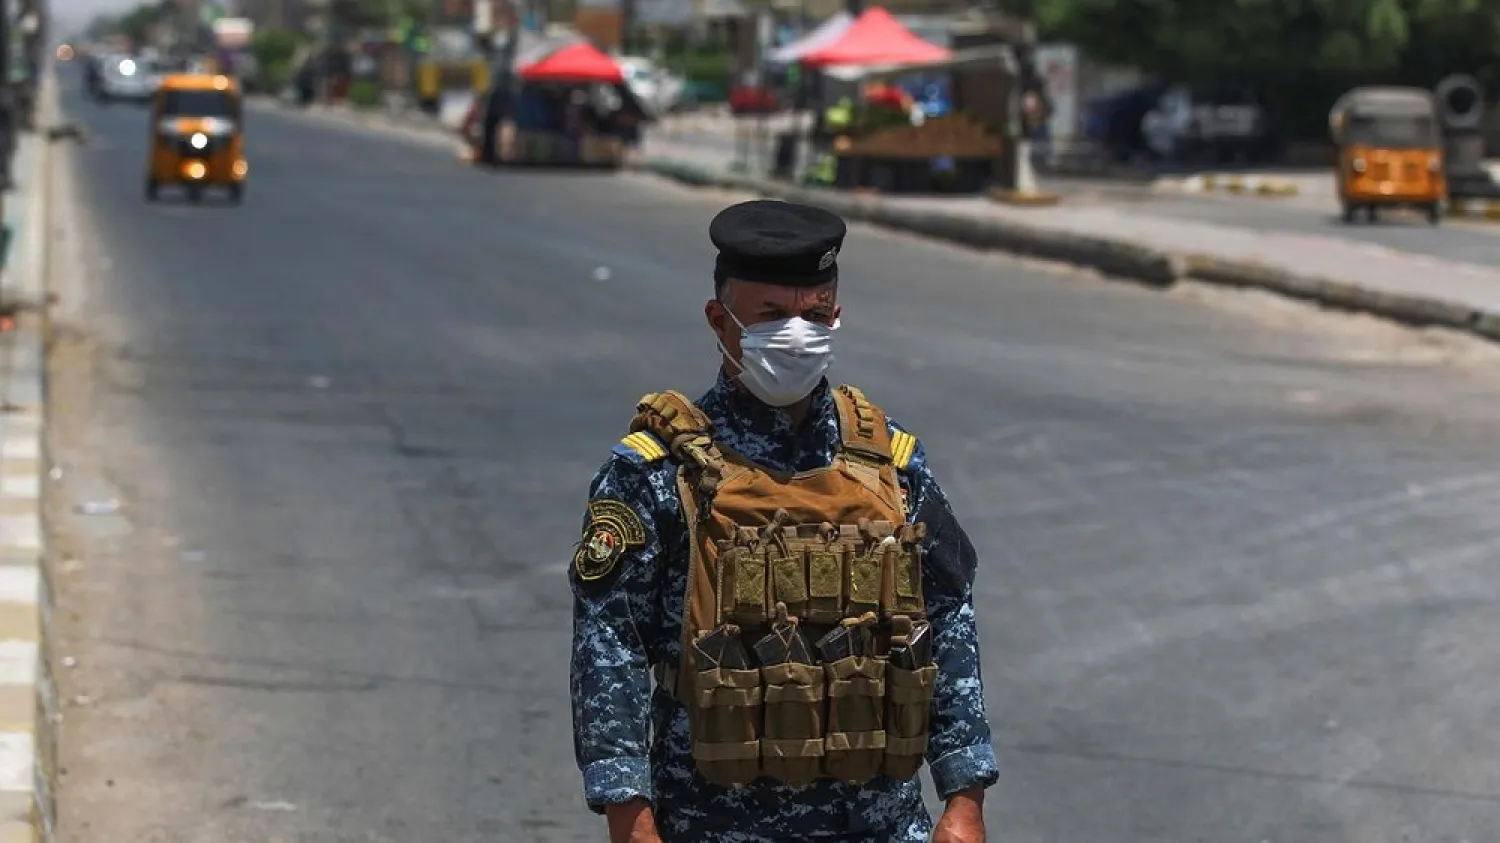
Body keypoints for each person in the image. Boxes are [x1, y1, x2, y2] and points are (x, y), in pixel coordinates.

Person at [568, 199, 999, 843]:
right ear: (721, 320)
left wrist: (963, 798)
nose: (797, 334)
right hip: (717, 822)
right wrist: (631, 818)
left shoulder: (891, 462)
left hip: (879, 823)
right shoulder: (659, 473)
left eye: (815, 314)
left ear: (836, 316)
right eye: (771, 315)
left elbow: (947, 620)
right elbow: (610, 648)